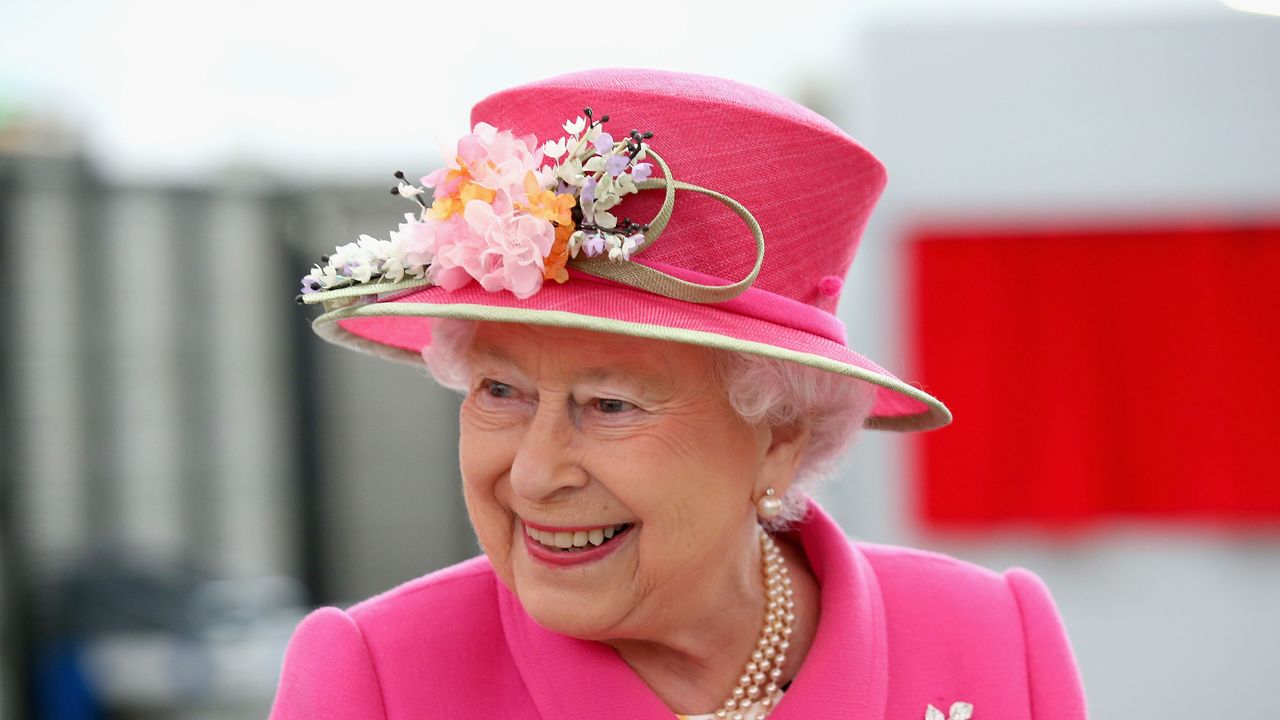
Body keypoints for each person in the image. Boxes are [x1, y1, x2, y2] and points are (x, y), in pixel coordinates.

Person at [271, 67, 1086, 719]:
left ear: (780, 438)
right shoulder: (375, 682)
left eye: (610, 404)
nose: (532, 474)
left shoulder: (994, 641)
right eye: (500, 390)